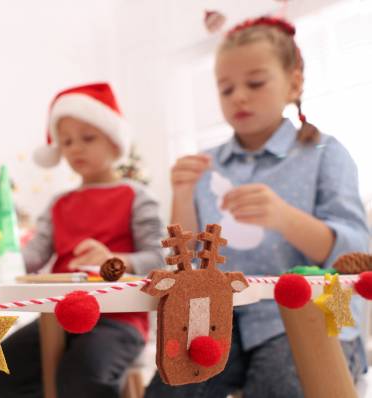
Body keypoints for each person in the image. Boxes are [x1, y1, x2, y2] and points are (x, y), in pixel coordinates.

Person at [145, 16, 369, 398]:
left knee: (282, 385)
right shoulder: (205, 164)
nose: (239, 97)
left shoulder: (324, 154)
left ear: (293, 83)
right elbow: (189, 261)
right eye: (226, 88)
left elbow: (355, 255)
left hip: (309, 318)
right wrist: (182, 194)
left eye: (255, 83)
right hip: (216, 317)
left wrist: (285, 218)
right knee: (174, 386)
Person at [0, 82, 165, 398]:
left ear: (114, 141)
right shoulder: (58, 204)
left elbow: (159, 258)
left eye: (88, 138)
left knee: (83, 375)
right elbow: (34, 255)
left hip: (119, 320)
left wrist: (115, 261)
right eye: (66, 142)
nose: (76, 148)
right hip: (58, 315)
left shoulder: (136, 197)